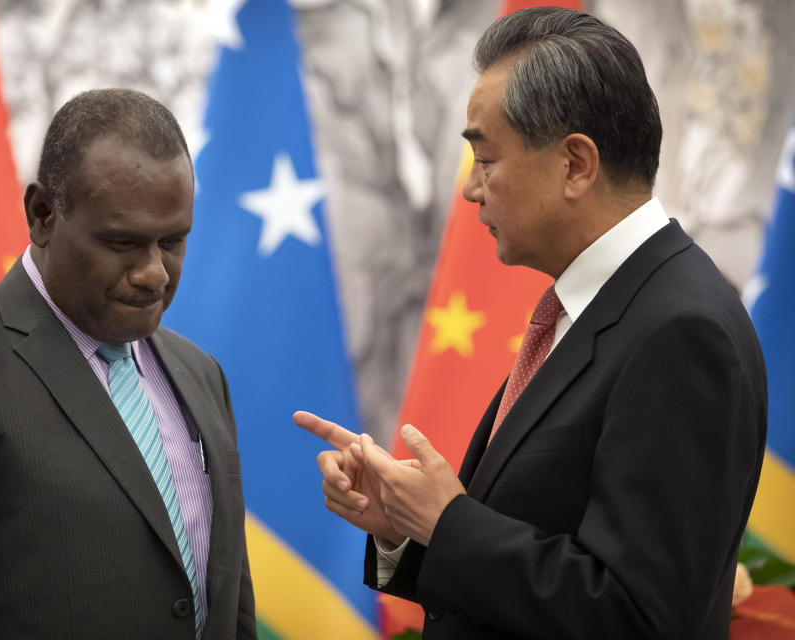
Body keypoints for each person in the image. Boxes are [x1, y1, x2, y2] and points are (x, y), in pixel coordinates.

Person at [295, 7, 766, 639]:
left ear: (575, 164)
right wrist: (404, 527)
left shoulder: (682, 332)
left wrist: (448, 522)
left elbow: (638, 617)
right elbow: (534, 539)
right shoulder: (598, 304)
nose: (471, 190)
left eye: (485, 160)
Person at [0, 89, 255, 639]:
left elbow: (227, 605)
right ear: (42, 214)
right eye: (123, 241)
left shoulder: (201, 375)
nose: (155, 272)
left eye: (173, 241)